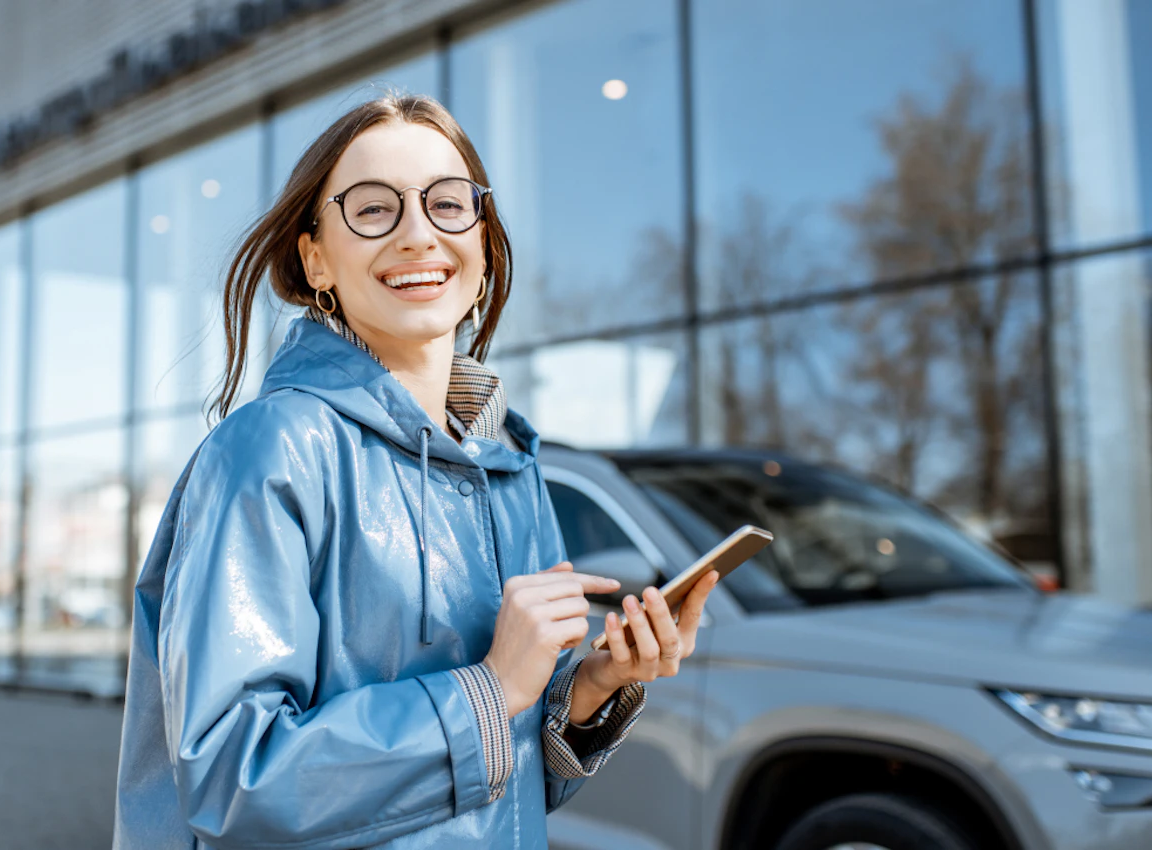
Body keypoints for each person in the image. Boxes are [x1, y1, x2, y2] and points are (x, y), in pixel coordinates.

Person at [113, 92, 719, 849]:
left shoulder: (508, 462)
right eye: (373, 209)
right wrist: (492, 694)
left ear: (485, 240)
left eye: (447, 203)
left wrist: (591, 686)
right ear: (315, 258)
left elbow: (507, 786)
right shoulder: (271, 448)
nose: (418, 233)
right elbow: (234, 778)